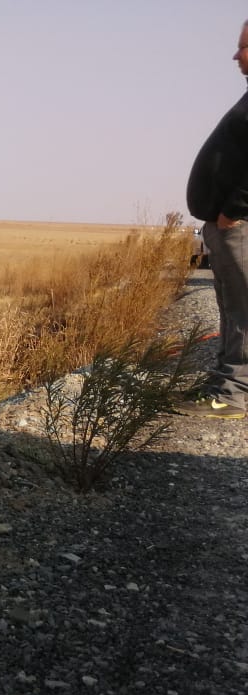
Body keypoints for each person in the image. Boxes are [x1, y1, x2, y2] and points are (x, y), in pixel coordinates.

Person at [181, 18, 248, 419]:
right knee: (229, 306)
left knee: (242, 308)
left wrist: (233, 212)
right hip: (228, 224)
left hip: (237, 225)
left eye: (243, 47)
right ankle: (221, 385)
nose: (236, 55)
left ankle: (233, 394)